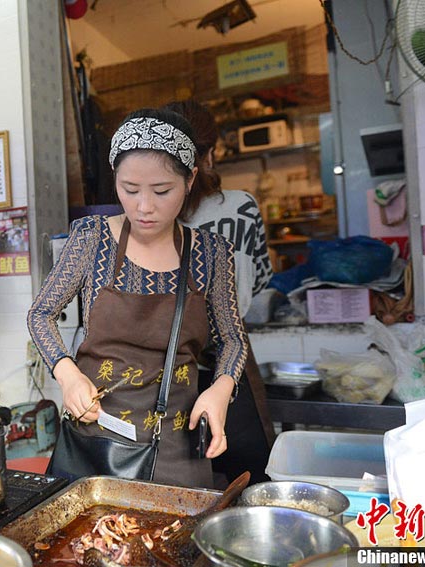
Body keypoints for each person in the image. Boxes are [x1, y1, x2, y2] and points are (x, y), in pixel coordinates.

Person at [28, 108, 248, 488]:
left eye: (161, 191)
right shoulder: (91, 238)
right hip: (97, 439)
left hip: (178, 443)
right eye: (130, 190)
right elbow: (41, 313)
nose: (144, 206)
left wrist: (221, 390)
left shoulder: (211, 253)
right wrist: (67, 375)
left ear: (190, 179)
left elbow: (233, 338)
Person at [164, 99, 275, 485]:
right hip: (234, 366)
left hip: (168, 369)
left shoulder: (155, 216)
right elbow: (260, 279)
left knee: (178, 493)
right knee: (247, 481)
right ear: (210, 153)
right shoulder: (242, 206)